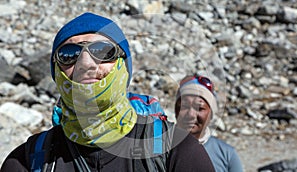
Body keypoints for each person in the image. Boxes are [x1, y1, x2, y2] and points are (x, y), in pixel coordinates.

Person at [1, 12, 215, 172]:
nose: (86, 64)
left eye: (103, 52)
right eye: (69, 54)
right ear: (56, 71)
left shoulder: (177, 149)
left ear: (124, 67)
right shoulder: (27, 161)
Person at [175, 74, 243, 172]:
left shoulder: (227, 154)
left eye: (199, 108)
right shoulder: (160, 150)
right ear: (176, 111)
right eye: (184, 106)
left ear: (211, 114)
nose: (191, 114)